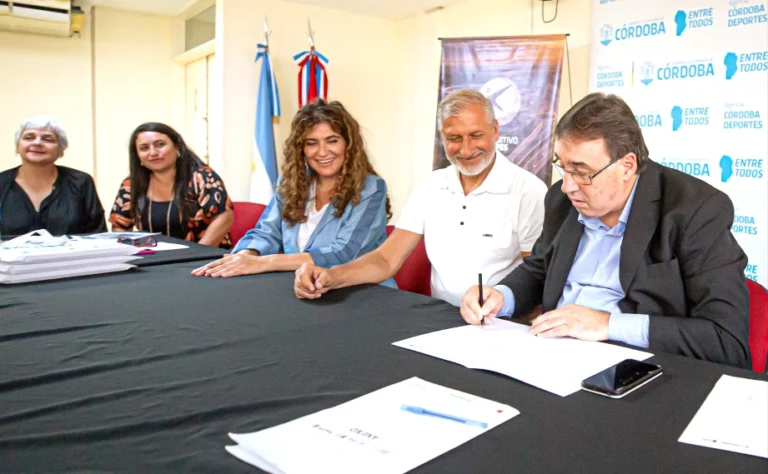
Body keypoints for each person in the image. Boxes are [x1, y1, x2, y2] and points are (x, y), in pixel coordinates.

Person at [458, 92, 750, 368]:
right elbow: (540, 268)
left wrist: (605, 324)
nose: (569, 185)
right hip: (547, 355)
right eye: (563, 167)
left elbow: (726, 340)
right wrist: (500, 296)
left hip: (635, 369)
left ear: (627, 166)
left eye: (583, 172)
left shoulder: (694, 209)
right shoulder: (561, 199)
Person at [293, 88, 547, 306]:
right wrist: (331, 277)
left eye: (476, 135)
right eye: (454, 139)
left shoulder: (529, 192)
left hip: (500, 324)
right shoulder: (430, 187)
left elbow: (535, 278)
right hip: (439, 320)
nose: (467, 149)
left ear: (495, 131)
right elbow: (386, 259)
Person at [191, 99, 393, 279]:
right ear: (301, 149)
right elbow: (266, 233)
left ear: (349, 145)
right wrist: (246, 256)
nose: (322, 152)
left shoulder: (371, 188)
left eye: (332, 141)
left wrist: (265, 263)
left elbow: (345, 253)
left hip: (360, 293)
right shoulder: (291, 183)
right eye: (311, 143)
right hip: (301, 288)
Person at [109, 122, 233, 248]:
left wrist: (196, 253)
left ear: (177, 147)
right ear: (138, 156)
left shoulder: (202, 177)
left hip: (203, 258)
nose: (153, 152)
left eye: (160, 145)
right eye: (144, 148)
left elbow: (224, 218)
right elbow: (120, 226)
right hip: (153, 258)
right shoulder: (131, 184)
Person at [0, 115, 106, 237]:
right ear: (17, 147)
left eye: (48, 139)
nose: (37, 142)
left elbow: (98, 236)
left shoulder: (80, 182)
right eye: (29, 137)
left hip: (70, 256)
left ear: (61, 150)